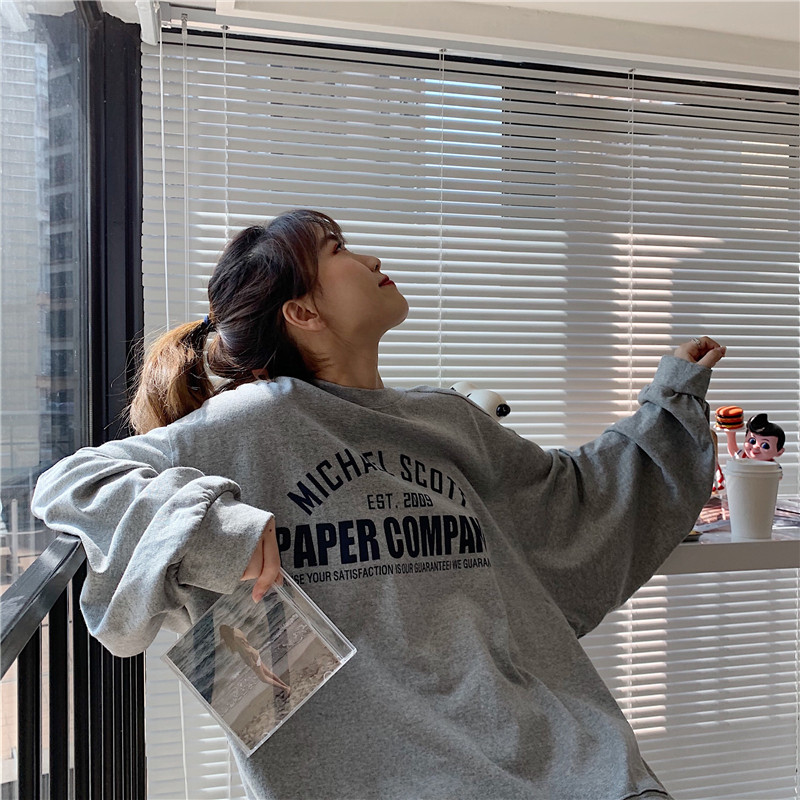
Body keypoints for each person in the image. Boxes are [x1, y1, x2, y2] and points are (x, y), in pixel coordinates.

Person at [31, 209, 727, 800]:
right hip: (373, 779)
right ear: (302, 312)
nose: (372, 259)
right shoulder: (250, 424)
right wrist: (214, 528)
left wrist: (668, 403)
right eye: (338, 250)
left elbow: (575, 501)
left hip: (566, 761)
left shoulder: (447, 420)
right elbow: (71, 484)